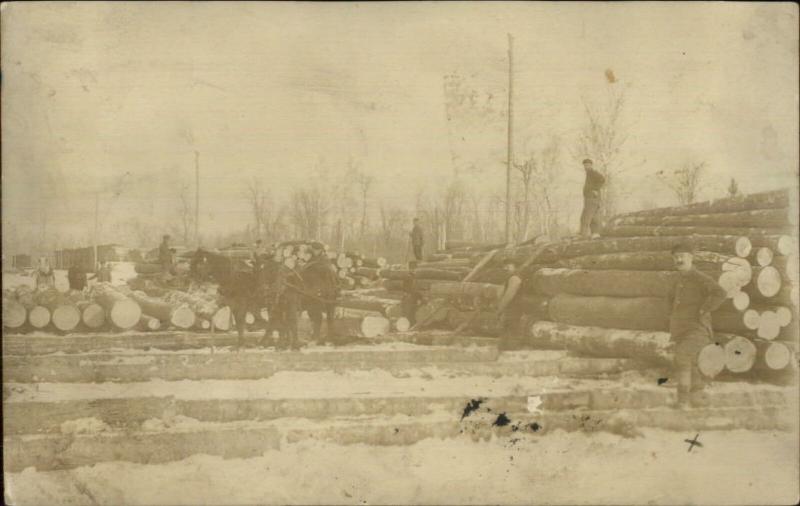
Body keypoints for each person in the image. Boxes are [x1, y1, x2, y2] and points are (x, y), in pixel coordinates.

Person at [666, 242, 727, 408]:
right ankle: (697, 398)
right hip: (681, 329)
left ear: (691, 258)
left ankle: (683, 400)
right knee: (692, 362)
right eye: (676, 257)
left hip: (698, 329)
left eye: (683, 256)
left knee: (683, 357)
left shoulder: (699, 278)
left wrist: (704, 309)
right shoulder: (677, 279)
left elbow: (720, 293)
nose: (679, 259)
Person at [302, 242, 341, 344]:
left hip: (326, 292)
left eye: (314, 250)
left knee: (326, 315)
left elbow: (328, 276)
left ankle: (326, 336)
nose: (313, 252)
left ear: (319, 250)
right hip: (318, 292)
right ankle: (318, 335)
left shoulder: (323, 261)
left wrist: (321, 291)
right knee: (316, 313)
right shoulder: (316, 261)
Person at [495, 260, 524, 337]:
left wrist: (499, 309)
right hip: (509, 311)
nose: (505, 268)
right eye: (504, 266)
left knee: (511, 335)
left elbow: (509, 296)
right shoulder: (508, 279)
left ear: (515, 267)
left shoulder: (515, 278)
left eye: (508, 266)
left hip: (514, 311)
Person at [579, 158, 606, 238]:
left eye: (587, 165)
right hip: (592, 199)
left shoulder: (592, 173)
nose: (586, 167)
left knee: (585, 218)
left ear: (591, 165)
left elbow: (602, 179)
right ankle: (595, 234)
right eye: (584, 165)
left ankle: (583, 235)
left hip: (591, 199)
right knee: (594, 219)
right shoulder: (589, 174)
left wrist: (595, 189)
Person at [402, 261, 422, 327]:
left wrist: (419, 297)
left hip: (414, 296)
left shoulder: (415, 277)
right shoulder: (407, 277)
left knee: (414, 310)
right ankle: (409, 324)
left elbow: (417, 289)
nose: (413, 270)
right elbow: (406, 288)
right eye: (412, 268)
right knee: (408, 311)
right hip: (410, 297)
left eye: (414, 268)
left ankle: (413, 323)